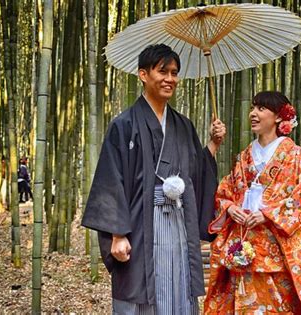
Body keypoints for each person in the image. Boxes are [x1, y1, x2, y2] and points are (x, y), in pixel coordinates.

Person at [81, 44, 226, 314]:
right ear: (143, 74)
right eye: (163, 71)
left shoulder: (183, 125)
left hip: (179, 224)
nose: (170, 79)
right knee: (143, 290)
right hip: (140, 223)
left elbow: (194, 173)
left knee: (179, 286)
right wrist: (117, 234)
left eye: (174, 72)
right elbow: (112, 180)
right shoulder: (124, 125)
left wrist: (213, 145)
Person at [204, 91, 301, 314]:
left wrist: (268, 213)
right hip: (243, 244)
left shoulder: (295, 156)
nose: (253, 114)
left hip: (276, 250)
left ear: (279, 117)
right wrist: (231, 208)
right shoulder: (244, 156)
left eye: (261, 109)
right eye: (252, 108)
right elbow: (225, 192)